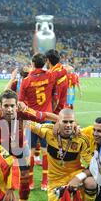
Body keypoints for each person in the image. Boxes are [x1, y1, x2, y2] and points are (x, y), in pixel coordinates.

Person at [0, 89, 58, 201]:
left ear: (17, 105)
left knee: (25, 179)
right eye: (6, 106)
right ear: (1, 106)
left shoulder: (24, 112)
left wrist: (62, 120)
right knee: (3, 183)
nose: (10, 109)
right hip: (2, 151)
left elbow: (44, 115)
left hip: (21, 149)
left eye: (12, 105)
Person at [28, 108, 97, 201]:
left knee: (91, 183)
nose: (68, 125)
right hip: (55, 180)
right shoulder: (48, 131)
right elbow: (27, 123)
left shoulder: (81, 139)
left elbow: (94, 166)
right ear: (58, 122)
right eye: (65, 122)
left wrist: (79, 177)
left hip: (74, 174)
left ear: (75, 123)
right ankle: (70, 199)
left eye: (71, 122)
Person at [19, 53, 68, 192]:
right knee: (46, 151)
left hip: (31, 119)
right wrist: (66, 69)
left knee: (32, 151)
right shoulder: (50, 76)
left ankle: (31, 182)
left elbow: (21, 101)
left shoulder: (26, 81)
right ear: (44, 63)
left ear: (33, 64)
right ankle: (45, 183)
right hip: (47, 117)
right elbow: (65, 71)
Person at [45, 49, 69, 114]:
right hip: (62, 109)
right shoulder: (61, 69)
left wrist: (50, 114)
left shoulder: (56, 78)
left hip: (56, 113)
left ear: (47, 60)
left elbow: (55, 101)